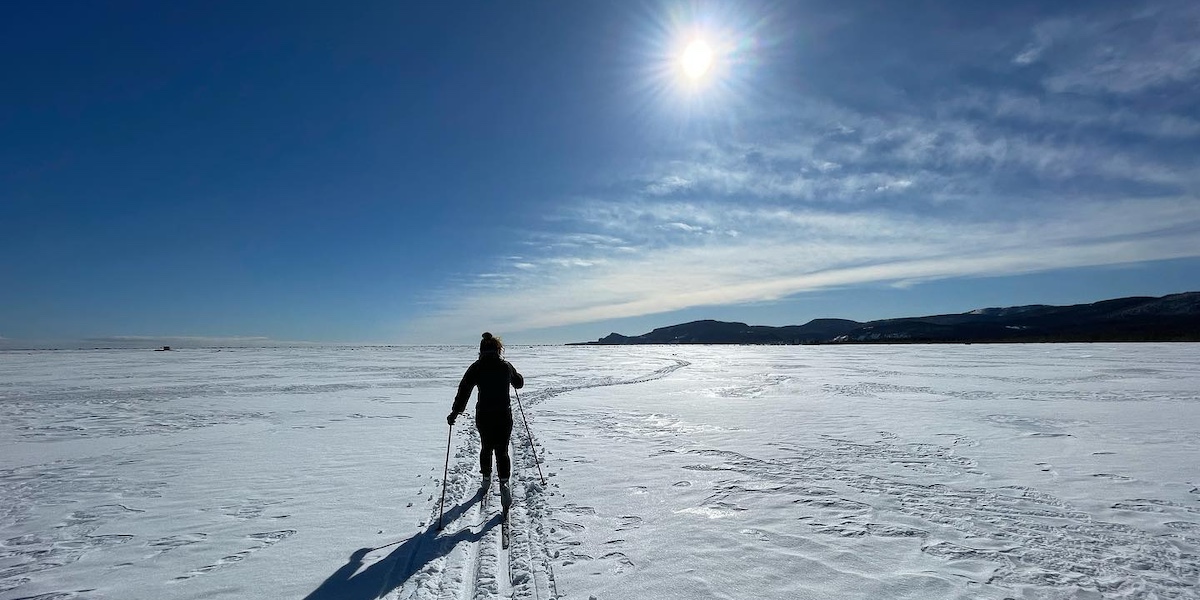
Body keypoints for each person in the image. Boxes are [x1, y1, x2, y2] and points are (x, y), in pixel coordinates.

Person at [447, 332, 524, 511]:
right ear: (498, 349)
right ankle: (504, 484)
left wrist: (455, 412)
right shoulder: (505, 366)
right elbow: (518, 383)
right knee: (502, 450)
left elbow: (464, 389)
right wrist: (516, 376)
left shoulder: (477, 367)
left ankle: (486, 481)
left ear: (481, 350)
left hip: (484, 415)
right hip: (504, 415)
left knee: (486, 447)